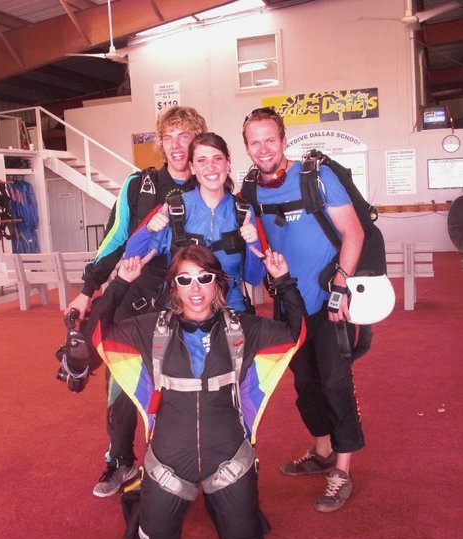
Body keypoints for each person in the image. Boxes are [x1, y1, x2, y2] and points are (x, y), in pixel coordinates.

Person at [91, 244, 305, 539]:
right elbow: (94, 332)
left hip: (228, 457)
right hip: (169, 461)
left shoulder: (242, 328)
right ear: (173, 286)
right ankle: (143, 498)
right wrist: (120, 283)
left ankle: (224, 500)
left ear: (218, 283)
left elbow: (296, 332)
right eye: (185, 279)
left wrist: (283, 281)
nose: (195, 289)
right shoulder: (151, 329)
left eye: (204, 278)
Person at [66, 106, 208, 498]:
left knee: (193, 384)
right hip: (138, 294)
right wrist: (87, 289)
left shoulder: (211, 183)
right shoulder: (138, 184)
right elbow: (114, 241)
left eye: (186, 135)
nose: (178, 144)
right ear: (160, 141)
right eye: (170, 136)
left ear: (197, 139)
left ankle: (196, 461)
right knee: (123, 383)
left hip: (192, 297)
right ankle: (121, 458)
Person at [241, 107, 365, 513]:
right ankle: (323, 450)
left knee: (334, 382)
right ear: (247, 147)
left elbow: (354, 231)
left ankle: (342, 470)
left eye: (269, 139)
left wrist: (342, 285)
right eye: (254, 141)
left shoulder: (315, 176)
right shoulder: (251, 190)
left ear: (283, 138)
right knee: (305, 385)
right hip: (288, 303)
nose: (263, 148)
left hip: (327, 298)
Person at [124, 132, 264, 311]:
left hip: (230, 312)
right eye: (202, 160)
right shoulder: (174, 209)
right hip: (181, 314)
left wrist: (253, 242)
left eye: (217, 159)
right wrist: (148, 229)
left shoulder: (242, 210)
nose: (210, 167)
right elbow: (132, 258)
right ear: (192, 167)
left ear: (228, 164)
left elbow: (254, 277)